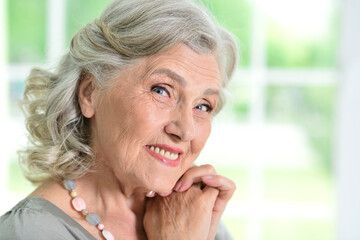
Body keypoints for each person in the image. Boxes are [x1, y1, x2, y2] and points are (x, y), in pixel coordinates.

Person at [0, 0, 238, 239]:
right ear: (90, 92)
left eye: (202, 106)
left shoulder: (194, 219)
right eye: (161, 91)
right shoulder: (29, 232)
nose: (186, 131)